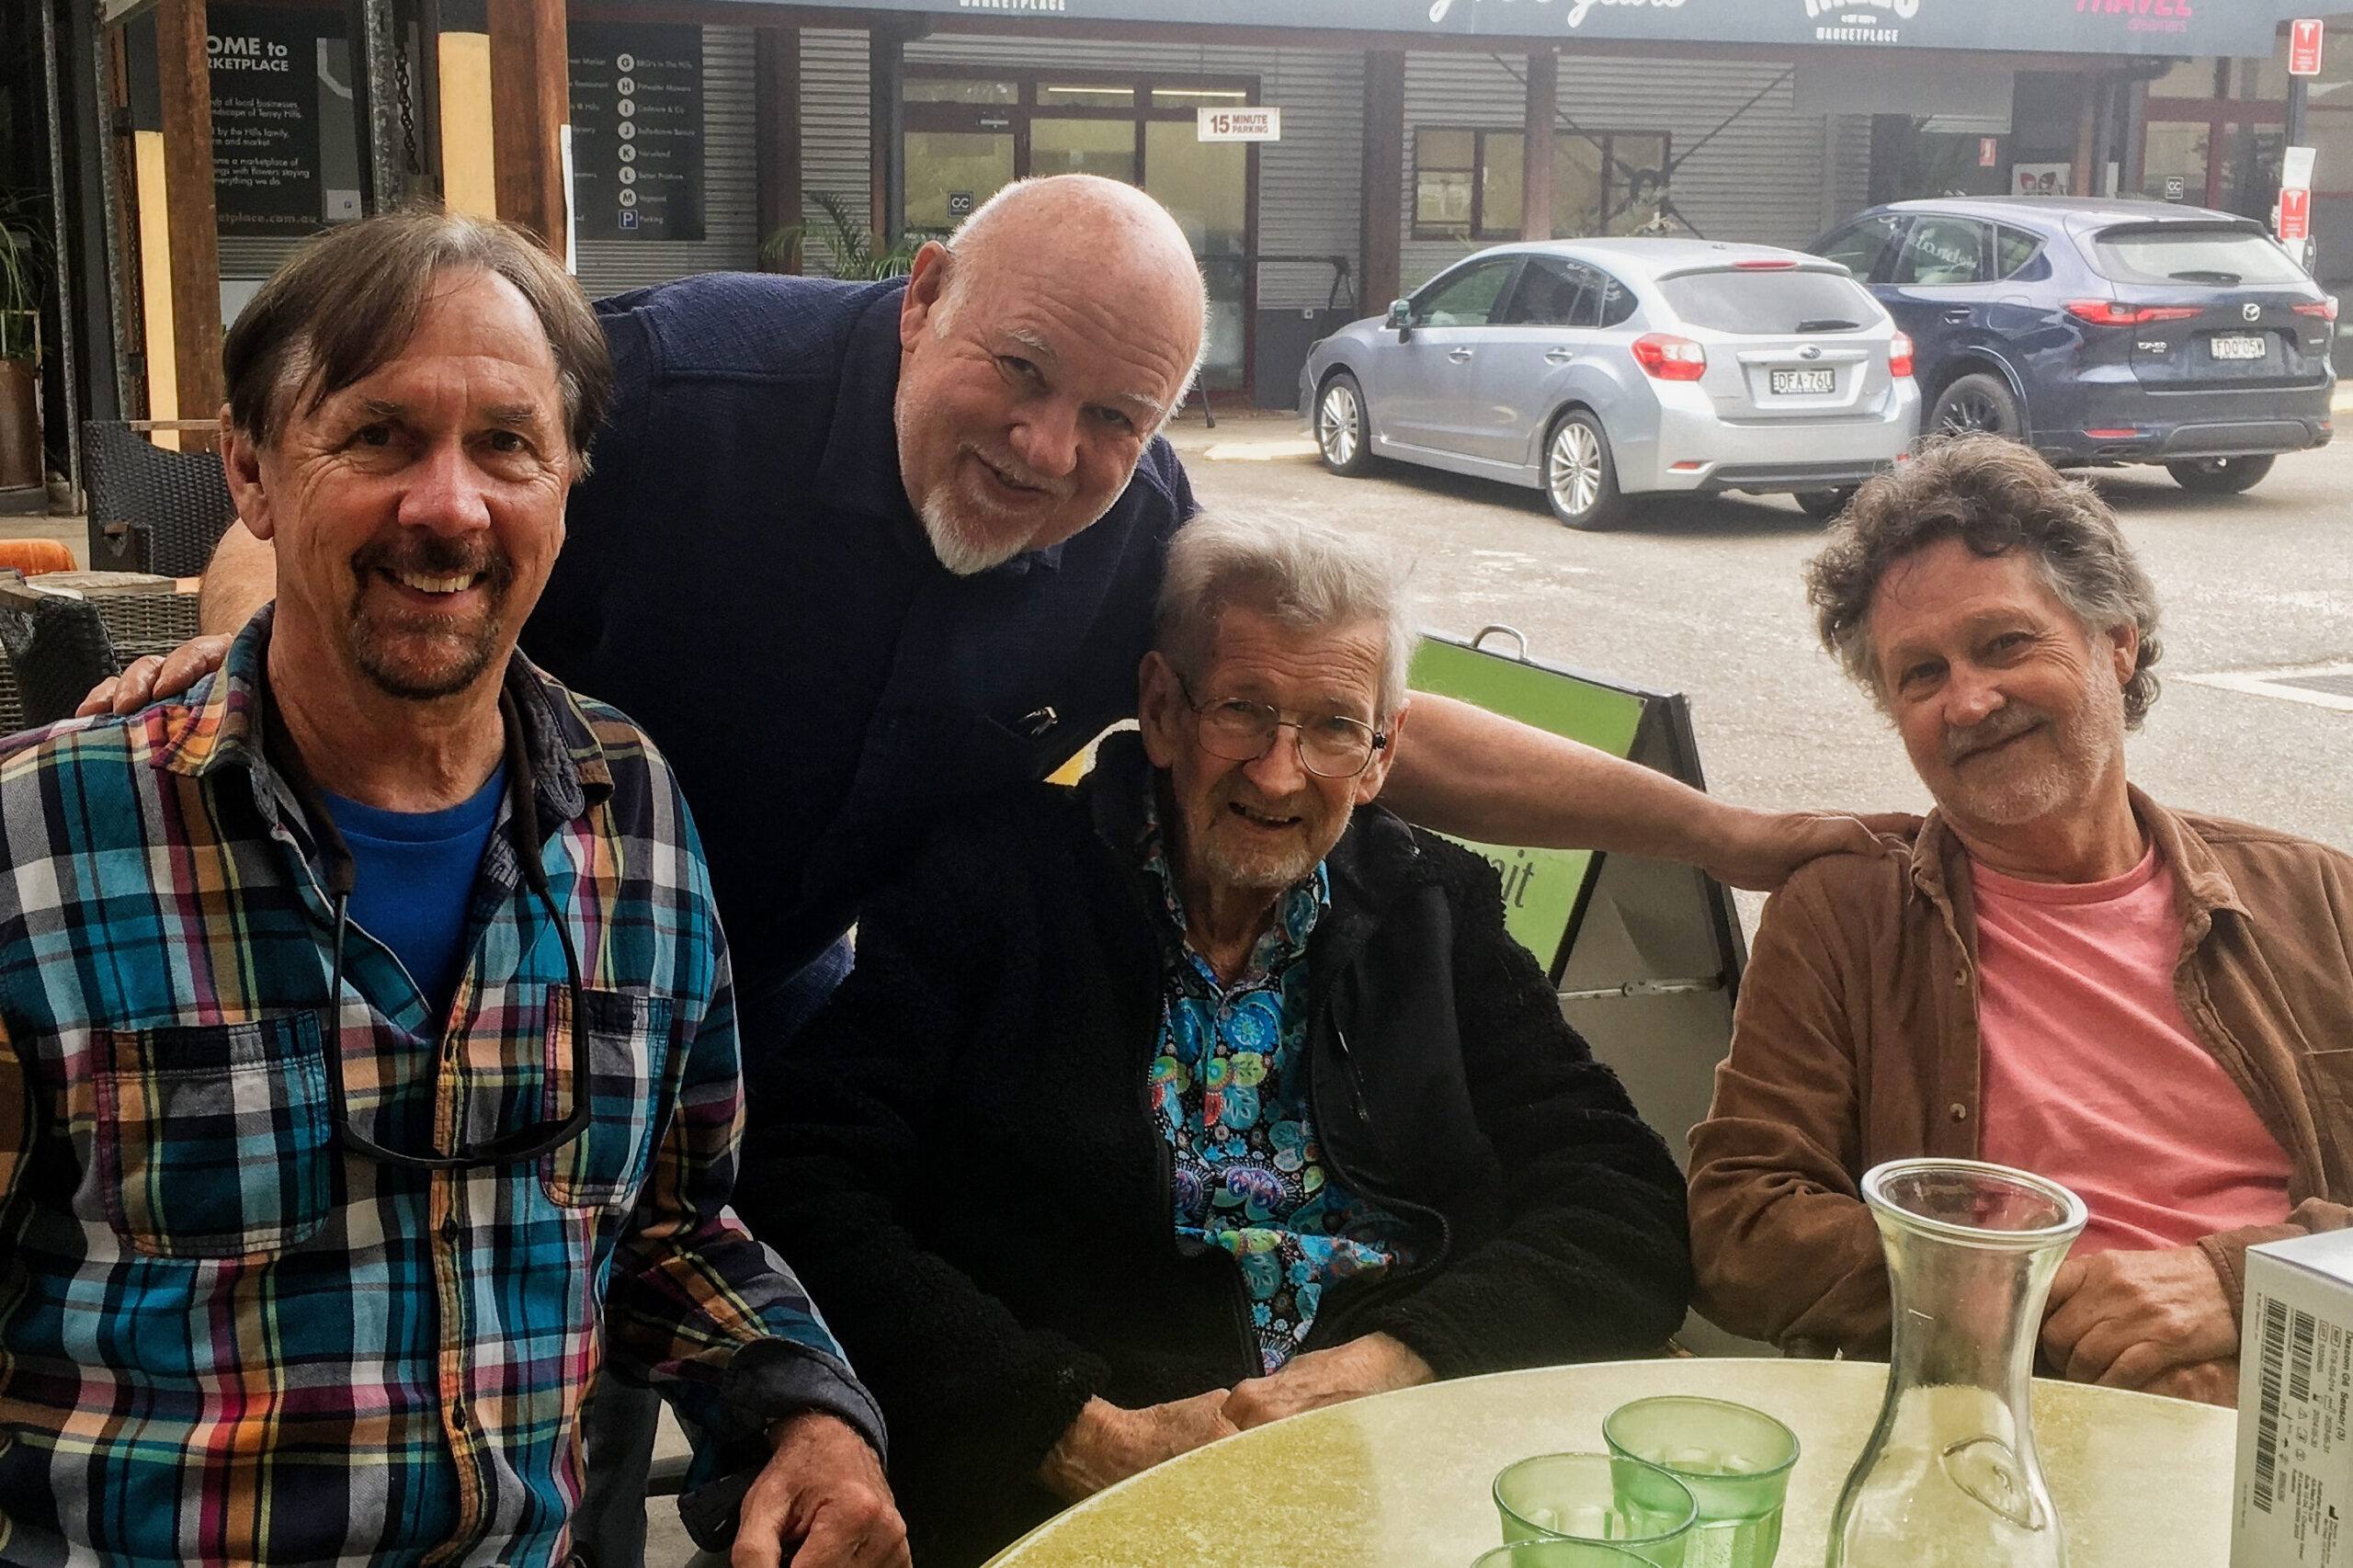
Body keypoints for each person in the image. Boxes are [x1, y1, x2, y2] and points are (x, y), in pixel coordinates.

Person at [102, 175, 1881, 1562]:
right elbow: (410, 466)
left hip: (748, 961)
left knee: (671, 1390)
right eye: (1019, 374)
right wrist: (226, 673)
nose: (1049, 453)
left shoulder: (1140, 541)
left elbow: (1347, 726)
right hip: (514, 935)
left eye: (1114, 416)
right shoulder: (672, 386)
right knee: (497, 1376)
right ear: (926, 285)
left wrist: (1724, 833)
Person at [0, 210, 904, 1567]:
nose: (449, 505)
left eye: (506, 444)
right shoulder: (44, 839)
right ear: (248, 468)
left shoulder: (632, 813)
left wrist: (811, 1414)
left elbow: (670, 1226)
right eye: (377, 436)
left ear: (568, 480)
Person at [735, 512, 1695, 1567]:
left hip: (1403, 1474)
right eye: (1243, 711)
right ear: (1160, 707)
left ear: (1382, 754)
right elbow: (803, 1181)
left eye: (1333, 725)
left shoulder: (1429, 906)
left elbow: (1624, 1197)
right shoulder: (995, 885)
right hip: (1083, 1490)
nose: (1280, 775)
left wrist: (1398, 1361)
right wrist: (1070, 1426)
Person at [1687, 436, 2353, 1407]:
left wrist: (2239, 1284)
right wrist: (2032, 1289)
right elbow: (1742, 1226)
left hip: (2309, 1399)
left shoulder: (2320, 900)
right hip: (2008, 1417)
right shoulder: (1842, 915)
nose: (1968, 699)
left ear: (2115, 642)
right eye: (1919, 674)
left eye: (2004, 643)